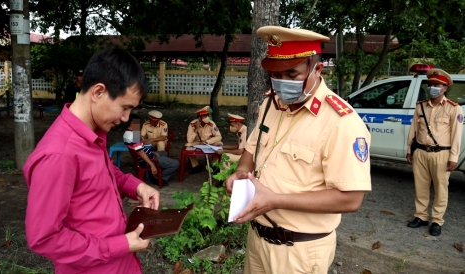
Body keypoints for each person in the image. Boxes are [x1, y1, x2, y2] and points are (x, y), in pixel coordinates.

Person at [225, 26, 371, 274]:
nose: (282, 83)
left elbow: (351, 198)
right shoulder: (271, 104)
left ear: (317, 69)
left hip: (299, 251)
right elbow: (252, 148)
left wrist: (276, 201)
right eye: (276, 75)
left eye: (292, 74)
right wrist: (241, 170)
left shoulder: (341, 122)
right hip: (257, 240)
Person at [23, 48, 160, 273]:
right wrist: (120, 245)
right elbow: (45, 238)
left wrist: (135, 185)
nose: (126, 118)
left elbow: (100, 174)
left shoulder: (90, 133)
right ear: (98, 92)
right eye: (124, 108)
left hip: (121, 264)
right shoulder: (58, 156)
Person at [406, 68, 463, 236]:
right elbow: (413, 130)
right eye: (430, 84)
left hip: (442, 154)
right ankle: (421, 216)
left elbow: (456, 136)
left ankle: (437, 220)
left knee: (440, 188)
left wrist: (453, 157)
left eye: (437, 85)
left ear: (444, 88)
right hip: (421, 153)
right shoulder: (421, 106)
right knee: (420, 186)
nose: (432, 88)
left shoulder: (454, 108)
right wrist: (410, 149)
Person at [125, 114, 179, 187]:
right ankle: (160, 178)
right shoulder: (134, 136)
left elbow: (141, 148)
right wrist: (152, 165)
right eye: (138, 123)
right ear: (132, 123)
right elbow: (141, 153)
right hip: (146, 160)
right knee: (176, 163)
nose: (139, 126)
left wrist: (151, 152)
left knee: (164, 153)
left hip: (146, 156)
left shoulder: (128, 133)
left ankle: (156, 174)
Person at [185, 106, 223, 174]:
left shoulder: (211, 123)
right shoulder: (192, 124)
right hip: (197, 143)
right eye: (204, 116)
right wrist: (196, 129)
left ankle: (213, 166)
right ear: (199, 117)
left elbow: (219, 136)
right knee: (188, 147)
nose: (207, 117)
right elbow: (189, 140)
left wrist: (207, 141)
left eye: (207, 115)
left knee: (219, 144)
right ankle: (195, 166)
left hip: (208, 142)